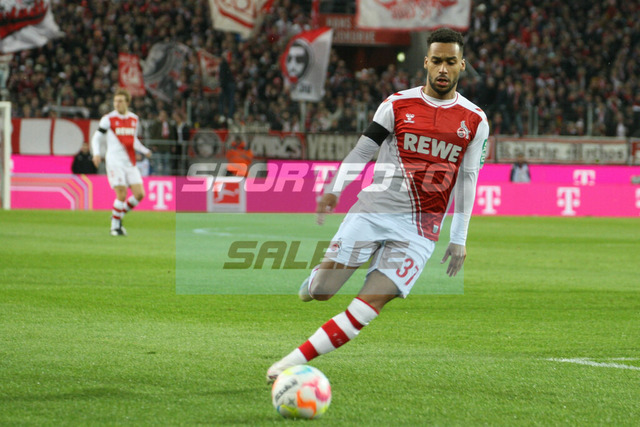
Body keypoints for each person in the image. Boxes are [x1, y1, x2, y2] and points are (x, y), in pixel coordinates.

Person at [266, 28, 490, 383]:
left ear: (462, 65)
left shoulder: (474, 120)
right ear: (425, 63)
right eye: (437, 61)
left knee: (367, 307)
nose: (443, 69)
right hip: (372, 212)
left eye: (451, 61)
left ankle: (288, 364)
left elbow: (468, 179)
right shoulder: (397, 104)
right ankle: (314, 282)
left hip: (419, 232)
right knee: (323, 290)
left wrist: (458, 238)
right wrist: (335, 189)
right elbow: (363, 152)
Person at [91, 88, 152, 236]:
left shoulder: (134, 119)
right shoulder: (108, 119)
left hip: (129, 161)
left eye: (120, 101)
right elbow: (96, 137)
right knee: (122, 194)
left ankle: (117, 215)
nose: (117, 104)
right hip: (114, 161)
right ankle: (115, 227)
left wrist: (144, 150)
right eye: (115, 101)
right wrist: (96, 153)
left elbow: (133, 140)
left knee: (139, 194)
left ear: (127, 102)